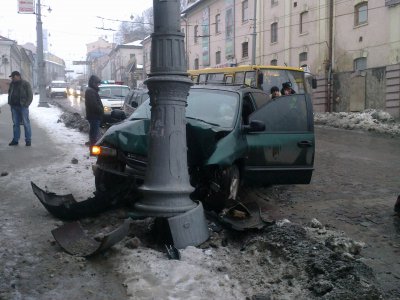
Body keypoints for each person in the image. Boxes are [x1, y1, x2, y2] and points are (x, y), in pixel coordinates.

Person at [7, 71, 33, 146]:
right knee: (15, 124)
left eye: (13, 77)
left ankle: (28, 140)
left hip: (23, 107)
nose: (12, 78)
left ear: (18, 76)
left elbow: (30, 96)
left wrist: (26, 105)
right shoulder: (12, 84)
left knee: (26, 123)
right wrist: (10, 102)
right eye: (12, 77)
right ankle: (15, 140)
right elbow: (10, 93)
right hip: (14, 107)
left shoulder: (25, 84)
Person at [85, 75, 104, 148]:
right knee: (94, 135)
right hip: (94, 116)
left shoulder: (92, 90)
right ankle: (93, 150)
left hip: (94, 116)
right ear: (94, 83)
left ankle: (93, 149)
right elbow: (94, 105)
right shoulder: (91, 91)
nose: (99, 85)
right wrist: (101, 111)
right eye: (98, 83)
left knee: (94, 134)